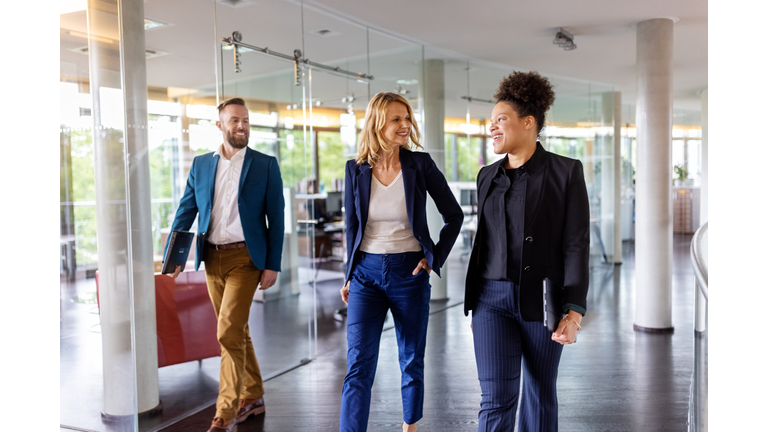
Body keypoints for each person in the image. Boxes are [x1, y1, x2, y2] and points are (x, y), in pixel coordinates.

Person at [464, 71, 590, 432]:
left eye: (500, 120)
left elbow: (576, 244)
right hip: (490, 300)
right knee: (495, 398)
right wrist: (476, 302)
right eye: (491, 122)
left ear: (528, 122)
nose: (492, 128)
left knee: (538, 392)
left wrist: (574, 310)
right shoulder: (486, 175)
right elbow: (484, 241)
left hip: (543, 300)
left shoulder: (566, 172)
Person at [339, 92, 464, 432]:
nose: (405, 125)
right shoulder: (355, 170)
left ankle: (410, 426)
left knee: (411, 359)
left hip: (409, 272)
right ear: (378, 123)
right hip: (365, 274)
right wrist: (348, 275)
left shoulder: (419, 165)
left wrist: (433, 257)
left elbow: (454, 215)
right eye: (396, 119)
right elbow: (352, 227)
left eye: (407, 118)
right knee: (358, 364)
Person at [165, 97, 285, 432]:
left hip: (247, 259)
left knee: (227, 330)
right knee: (237, 331)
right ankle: (254, 393)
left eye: (245, 120)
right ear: (220, 125)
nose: (242, 126)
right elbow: (186, 211)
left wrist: (272, 264)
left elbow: (277, 218)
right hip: (212, 258)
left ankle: (225, 411)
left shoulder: (265, 164)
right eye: (234, 120)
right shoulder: (202, 165)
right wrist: (173, 257)